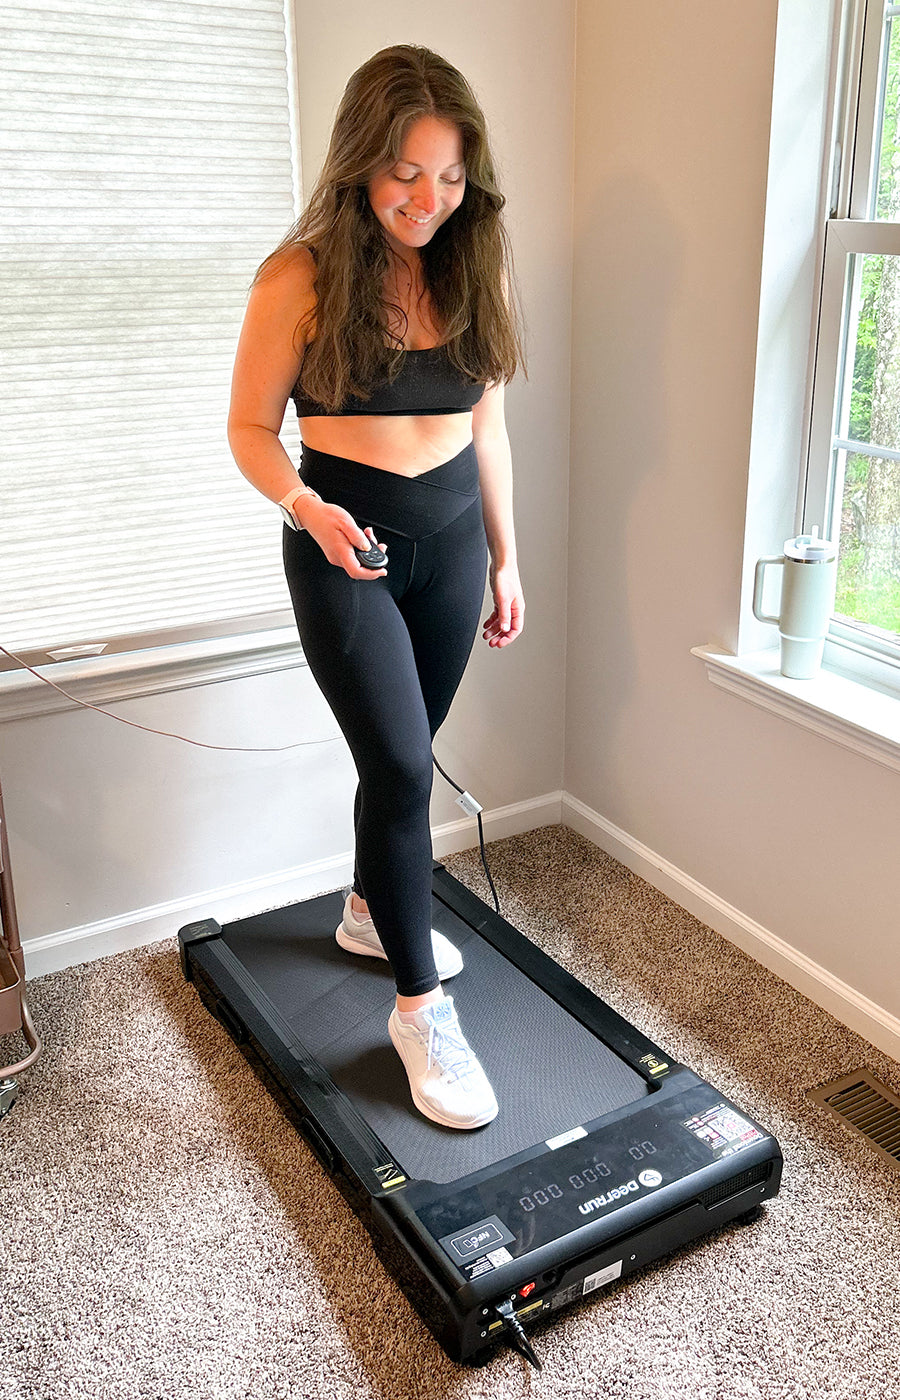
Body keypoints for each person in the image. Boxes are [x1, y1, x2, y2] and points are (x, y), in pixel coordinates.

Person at [227, 44, 524, 1131]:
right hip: (345, 543)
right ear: (362, 160)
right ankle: (419, 1011)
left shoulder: (473, 266)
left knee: (404, 757)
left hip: (452, 548)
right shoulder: (298, 276)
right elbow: (249, 429)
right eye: (406, 173)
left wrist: (508, 557)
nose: (427, 199)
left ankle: (367, 907)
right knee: (401, 766)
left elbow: (489, 429)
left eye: (448, 176)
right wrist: (305, 506)